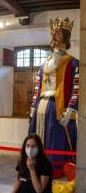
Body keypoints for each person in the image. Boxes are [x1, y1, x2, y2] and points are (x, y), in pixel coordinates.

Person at [29, 18, 78, 178]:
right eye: (52, 32)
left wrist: (71, 109)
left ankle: (54, 170)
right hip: (42, 105)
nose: (53, 35)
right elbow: (37, 88)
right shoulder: (44, 62)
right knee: (39, 136)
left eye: (57, 32)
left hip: (58, 107)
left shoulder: (73, 63)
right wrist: (33, 108)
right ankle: (37, 167)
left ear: (66, 35)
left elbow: (76, 89)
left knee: (55, 138)